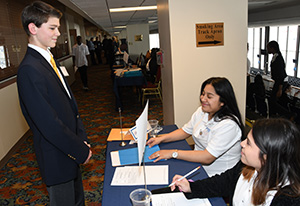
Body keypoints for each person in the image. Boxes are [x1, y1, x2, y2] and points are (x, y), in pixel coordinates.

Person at [17, 2, 92, 205]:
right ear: (33, 28)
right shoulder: (29, 69)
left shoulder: (49, 59)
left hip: (71, 149)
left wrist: (81, 139)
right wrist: (80, 150)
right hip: (57, 158)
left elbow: (70, 105)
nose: (58, 33)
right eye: (52, 28)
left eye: (57, 27)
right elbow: (48, 123)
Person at [171, 118, 300, 206]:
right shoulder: (247, 166)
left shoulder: (287, 198)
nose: (242, 144)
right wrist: (191, 187)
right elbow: (222, 182)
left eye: (248, 143)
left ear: (266, 156)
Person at [147, 77, 244, 177]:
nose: (203, 99)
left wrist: (173, 153)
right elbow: (185, 131)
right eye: (203, 94)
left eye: (209, 97)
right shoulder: (202, 112)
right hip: (198, 164)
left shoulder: (229, 125)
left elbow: (207, 157)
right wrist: (161, 139)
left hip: (217, 176)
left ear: (223, 102)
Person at [267, 40, 287, 116]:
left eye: (268, 48)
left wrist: (280, 89)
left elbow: (281, 75)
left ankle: (289, 114)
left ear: (273, 48)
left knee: (272, 101)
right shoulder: (275, 56)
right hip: (278, 81)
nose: (267, 50)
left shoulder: (278, 58)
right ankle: (274, 116)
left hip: (281, 82)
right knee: (273, 101)